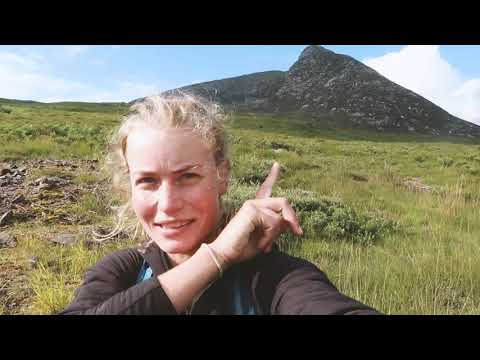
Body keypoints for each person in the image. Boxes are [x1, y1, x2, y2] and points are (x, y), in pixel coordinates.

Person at [59, 94, 380, 315]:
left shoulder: (274, 278)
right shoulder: (123, 270)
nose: (167, 204)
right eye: (147, 181)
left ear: (221, 175)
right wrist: (217, 256)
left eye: (187, 177)